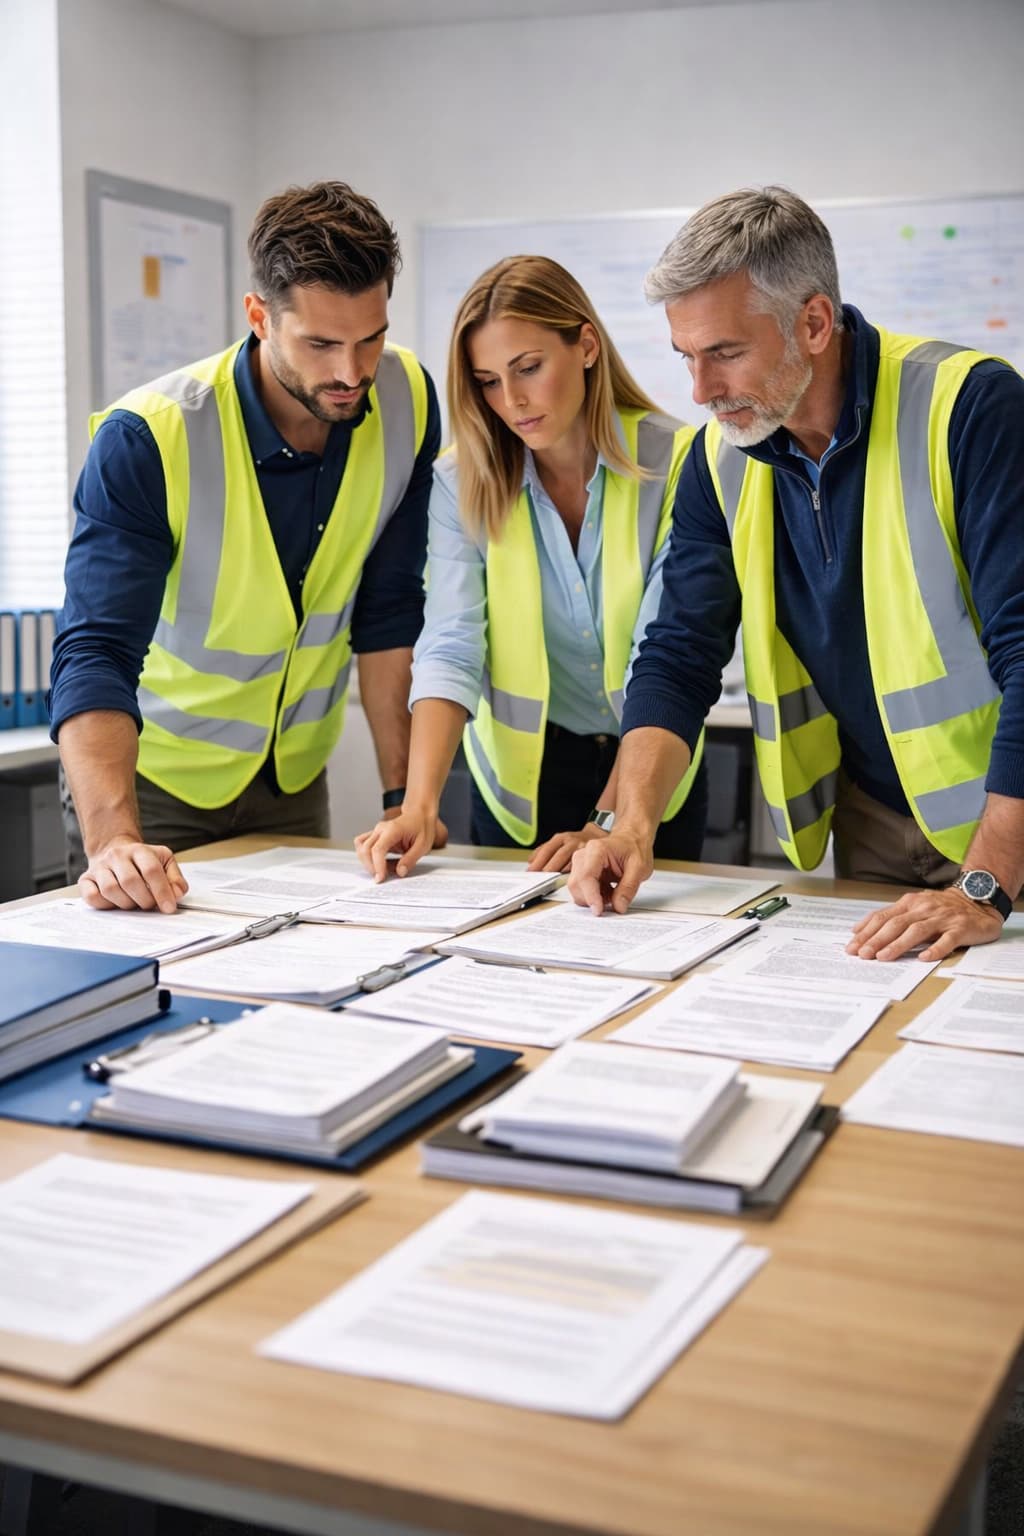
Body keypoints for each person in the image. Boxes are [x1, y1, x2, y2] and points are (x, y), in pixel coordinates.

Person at [569, 186, 1024, 962]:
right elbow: (679, 650)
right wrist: (629, 826)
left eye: (726, 353)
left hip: (1008, 826)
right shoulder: (718, 457)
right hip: (874, 820)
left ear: (813, 323)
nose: (699, 392)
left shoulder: (971, 408)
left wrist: (986, 881)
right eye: (687, 356)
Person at [51, 180, 441, 914]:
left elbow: (389, 613)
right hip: (152, 788)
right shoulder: (150, 438)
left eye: (371, 338)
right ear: (260, 317)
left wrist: (401, 797)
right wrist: (113, 843)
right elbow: (94, 650)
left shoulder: (408, 399)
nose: (351, 373)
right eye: (321, 344)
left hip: (291, 781)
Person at [355, 254, 707, 881]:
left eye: (528, 368)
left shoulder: (681, 460)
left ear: (587, 346)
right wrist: (417, 805)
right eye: (488, 380)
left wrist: (606, 823)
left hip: (655, 770)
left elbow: (667, 655)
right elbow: (451, 643)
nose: (511, 401)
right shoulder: (460, 480)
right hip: (522, 782)